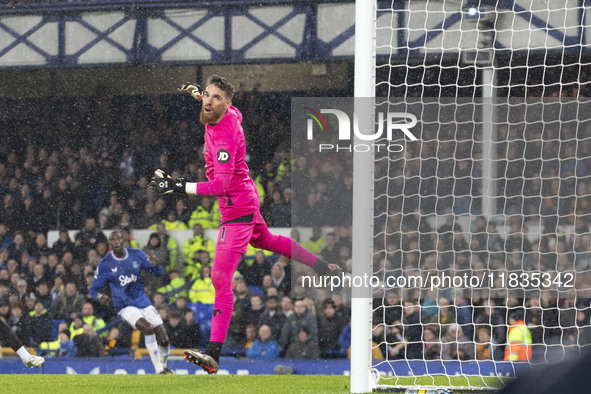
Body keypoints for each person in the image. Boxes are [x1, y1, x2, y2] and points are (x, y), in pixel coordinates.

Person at [149, 75, 342, 374]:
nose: (210, 101)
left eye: (216, 98)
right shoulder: (228, 113)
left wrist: (176, 186)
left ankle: (213, 353)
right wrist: (199, 95)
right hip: (245, 199)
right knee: (268, 241)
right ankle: (321, 265)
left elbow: (219, 185)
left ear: (227, 105)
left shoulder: (225, 135)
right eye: (208, 96)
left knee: (219, 278)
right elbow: (223, 107)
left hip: (236, 206)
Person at [89, 231, 173, 374]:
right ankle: (159, 370)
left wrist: (157, 265)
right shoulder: (105, 264)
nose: (115, 242)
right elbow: (92, 289)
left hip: (143, 301)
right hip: (124, 305)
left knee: (164, 340)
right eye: (112, 240)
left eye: (118, 239)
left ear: (124, 241)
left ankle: (163, 366)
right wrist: (99, 296)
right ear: (110, 244)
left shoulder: (137, 254)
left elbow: (159, 273)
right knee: (147, 328)